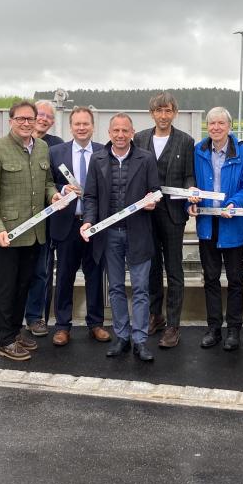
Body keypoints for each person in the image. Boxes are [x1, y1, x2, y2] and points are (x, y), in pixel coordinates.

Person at [0, 100, 62, 361]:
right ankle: (4, 339)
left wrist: (54, 196)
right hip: (9, 234)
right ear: (11, 120)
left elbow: (47, 182)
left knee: (24, 285)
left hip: (36, 231)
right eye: (21, 119)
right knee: (6, 287)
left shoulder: (42, 148)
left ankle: (15, 332)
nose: (26, 123)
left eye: (30, 119)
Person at [81, 113, 161, 362]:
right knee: (115, 288)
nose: (120, 135)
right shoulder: (98, 159)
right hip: (109, 235)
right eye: (116, 130)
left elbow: (155, 191)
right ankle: (122, 337)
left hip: (138, 232)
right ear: (109, 133)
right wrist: (87, 221)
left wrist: (152, 201)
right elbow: (90, 196)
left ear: (132, 133)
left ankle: (140, 340)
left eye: (125, 131)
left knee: (140, 289)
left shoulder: (146, 158)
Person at [189, 107, 243, 351]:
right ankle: (214, 328)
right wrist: (191, 202)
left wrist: (234, 203)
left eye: (221, 123)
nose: (216, 128)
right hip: (207, 224)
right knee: (211, 278)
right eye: (212, 123)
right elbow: (192, 184)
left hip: (233, 225)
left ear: (229, 126)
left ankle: (234, 330)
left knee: (236, 280)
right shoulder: (199, 150)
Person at [134, 92, 195, 349]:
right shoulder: (139, 139)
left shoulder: (185, 141)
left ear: (174, 113)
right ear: (152, 113)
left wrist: (192, 191)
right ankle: (155, 315)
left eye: (168, 110)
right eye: (159, 111)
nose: (163, 115)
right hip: (146, 215)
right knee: (152, 269)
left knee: (174, 270)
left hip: (173, 215)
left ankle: (173, 325)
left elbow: (189, 176)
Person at [47, 107, 111, 346]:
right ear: (70, 127)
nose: (82, 128)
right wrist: (62, 190)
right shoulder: (55, 153)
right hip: (67, 224)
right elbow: (48, 183)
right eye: (77, 124)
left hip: (94, 225)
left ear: (93, 126)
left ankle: (96, 324)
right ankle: (62, 326)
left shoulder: (104, 152)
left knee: (95, 275)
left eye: (86, 124)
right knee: (64, 276)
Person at [24, 100, 65, 337]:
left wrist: (59, 192)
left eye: (49, 116)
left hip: (46, 219)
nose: (44, 119)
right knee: (18, 271)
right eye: (40, 114)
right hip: (18, 220)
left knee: (43, 269)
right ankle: (13, 316)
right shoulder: (10, 143)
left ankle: (38, 316)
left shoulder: (55, 146)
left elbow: (58, 180)